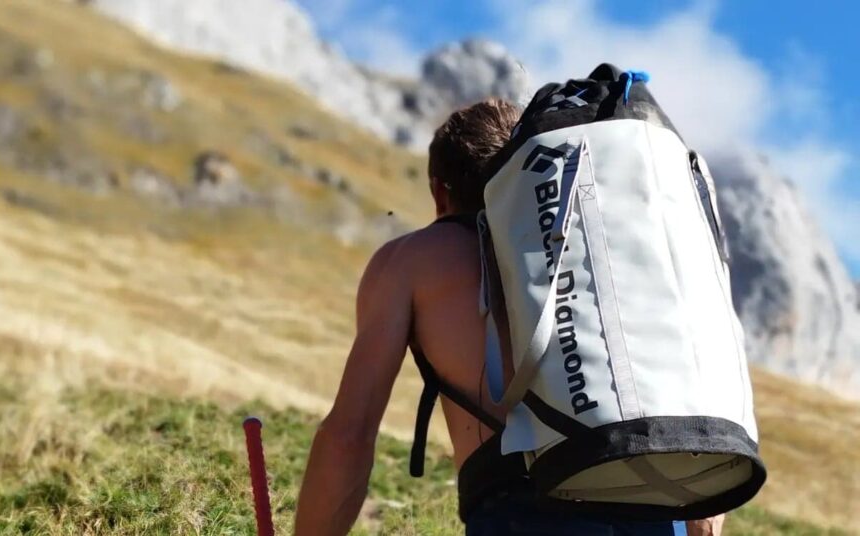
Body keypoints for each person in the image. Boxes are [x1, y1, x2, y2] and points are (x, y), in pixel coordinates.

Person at [294, 99, 724, 536]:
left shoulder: (413, 260)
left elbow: (350, 434)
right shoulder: (601, 255)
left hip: (522, 510)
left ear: (440, 193)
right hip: (649, 496)